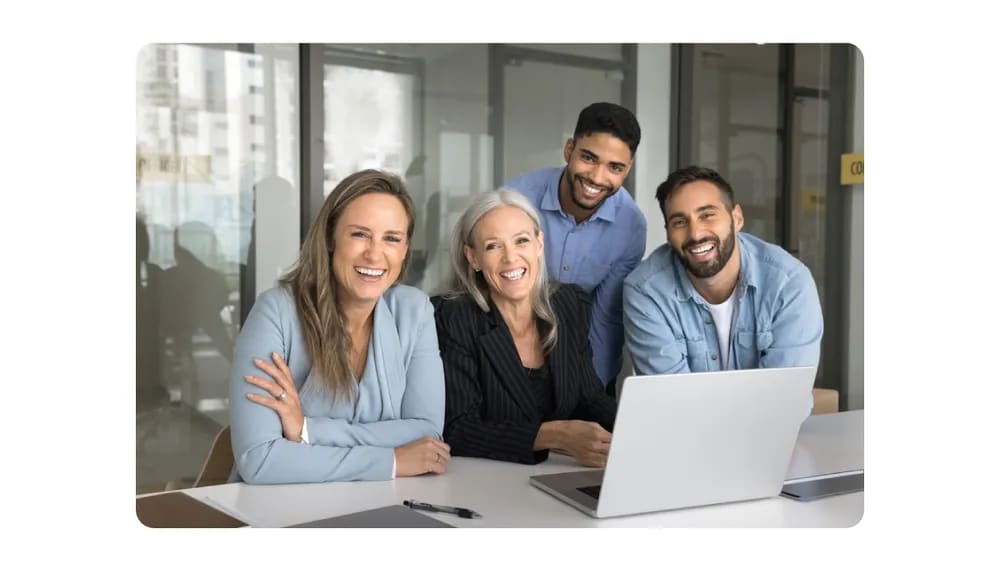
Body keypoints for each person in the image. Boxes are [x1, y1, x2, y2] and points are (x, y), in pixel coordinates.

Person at [229, 169, 450, 484]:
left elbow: (427, 434)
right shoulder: (275, 313)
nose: (375, 254)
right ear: (331, 237)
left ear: (404, 250)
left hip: (383, 510)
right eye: (359, 234)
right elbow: (260, 459)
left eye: (391, 238)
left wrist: (307, 430)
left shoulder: (414, 311)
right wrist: (392, 460)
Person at [433, 189, 617, 467]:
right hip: (482, 483)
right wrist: (552, 435)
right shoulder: (454, 317)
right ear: (473, 258)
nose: (510, 258)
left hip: (556, 477)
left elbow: (589, 397)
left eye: (521, 241)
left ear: (539, 244)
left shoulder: (568, 303)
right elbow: (457, 429)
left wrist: (636, 432)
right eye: (493, 246)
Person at [623, 166, 823, 403]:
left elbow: (784, 400)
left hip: (768, 436)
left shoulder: (788, 284)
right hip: (687, 437)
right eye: (679, 222)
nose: (696, 234)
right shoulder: (645, 292)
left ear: (736, 218)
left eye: (707, 215)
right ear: (667, 233)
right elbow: (674, 403)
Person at [504, 102, 646, 392]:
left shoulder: (631, 226)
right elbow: (488, 295)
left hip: (578, 354)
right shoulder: (515, 201)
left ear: (627, 168)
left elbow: (606, 319)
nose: (596, 177)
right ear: (569, 150)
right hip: (508, 345)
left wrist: (587, 392)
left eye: (615, 167)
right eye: (589, 158)